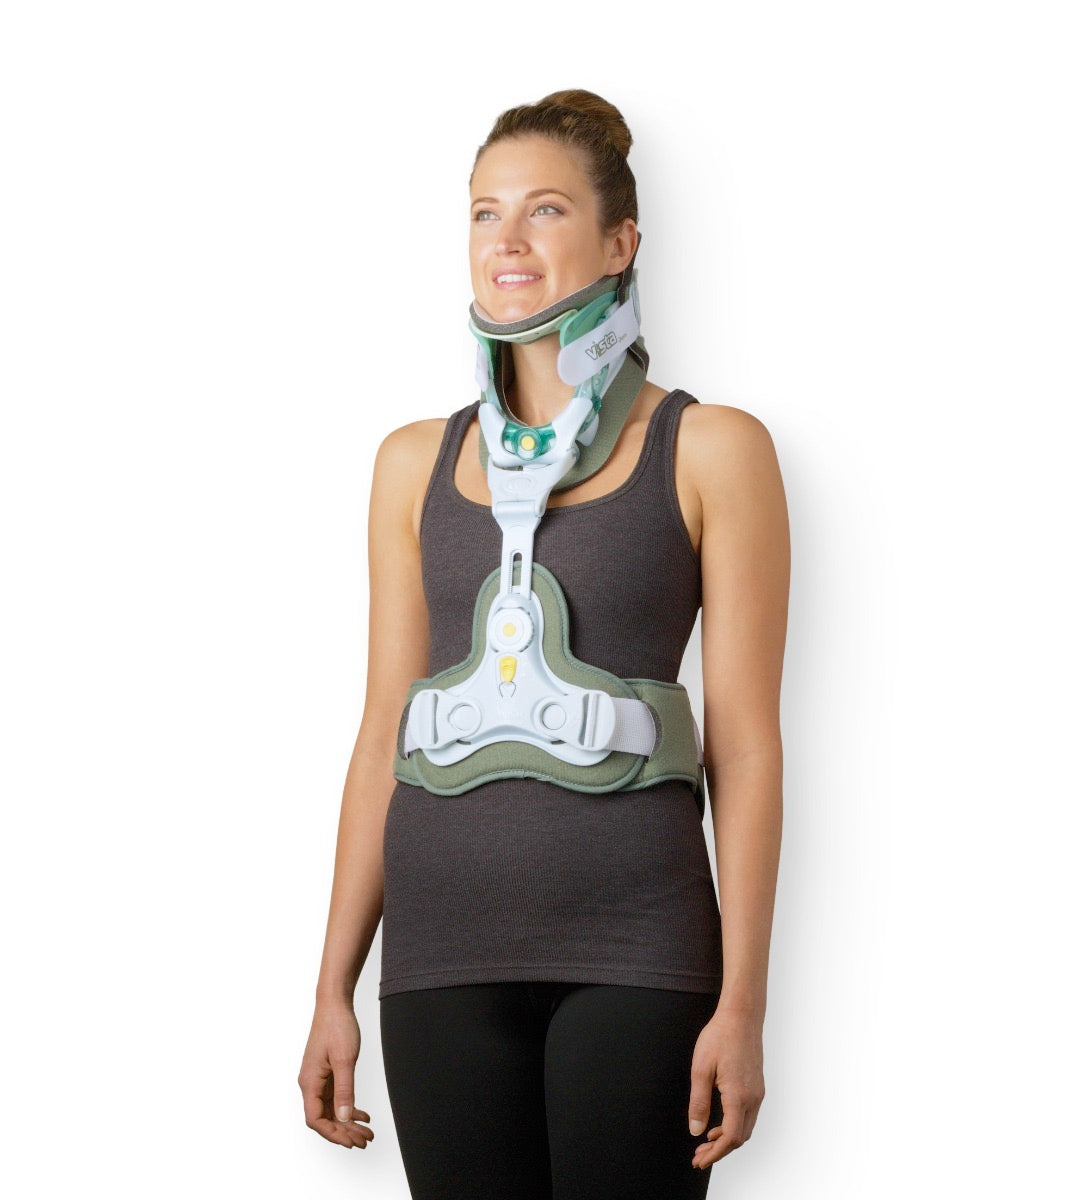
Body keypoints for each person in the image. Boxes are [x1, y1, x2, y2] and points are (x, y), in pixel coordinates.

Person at [298, 89, 789, 1199]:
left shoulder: (711, 450)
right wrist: (332, 984)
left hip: (638, 952)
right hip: (438, 960)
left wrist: (744, 1004)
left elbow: (746, 747)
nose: (507, 240)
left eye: (546, 210)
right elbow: (382, 735)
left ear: (620, 245)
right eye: (485, 213)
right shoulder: (409, 464)